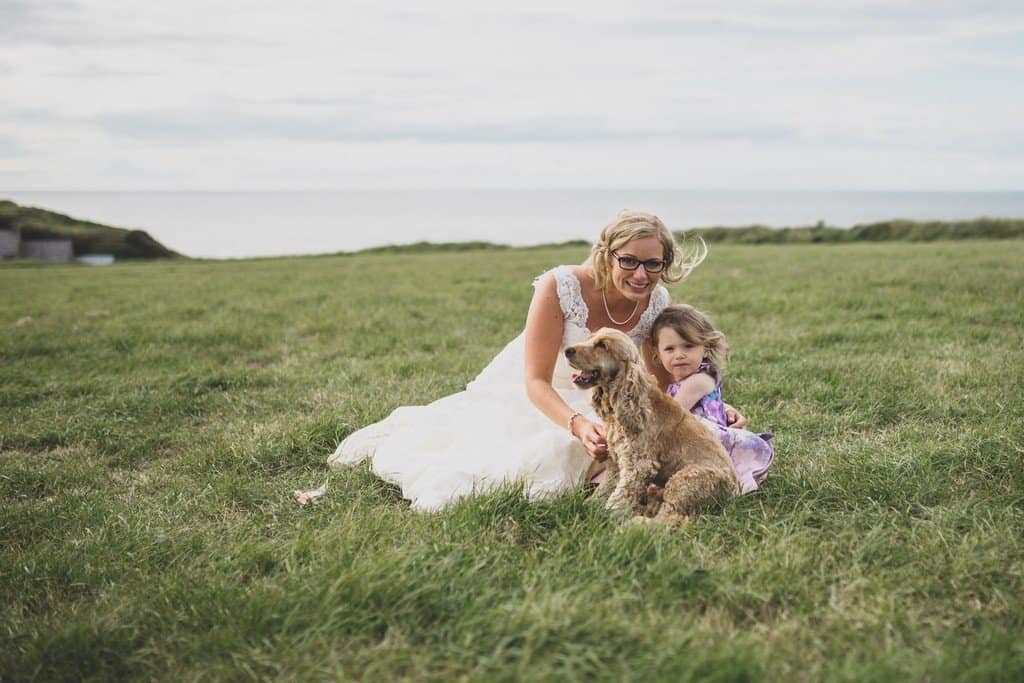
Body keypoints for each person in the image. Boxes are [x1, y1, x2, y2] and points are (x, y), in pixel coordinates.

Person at [329, 210, 746, 510]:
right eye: (629, 261)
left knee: (643, 442)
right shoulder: (560, 285)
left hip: (605, 396)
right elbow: (536, 381)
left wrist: (711, 405)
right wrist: (578, 423)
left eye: (653, 264)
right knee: (549, 456)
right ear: (607, 254)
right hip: (544, 393)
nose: (641, 274)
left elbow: (652, 382)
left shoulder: (657, 300)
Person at [649, 304, 774, 494]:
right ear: (658, 354)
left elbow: (668, 416)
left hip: (707, 445)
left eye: (688, 346)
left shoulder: (697, 381)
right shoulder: (692, 377)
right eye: (669, 349)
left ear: (705, 348)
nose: (679, 355)